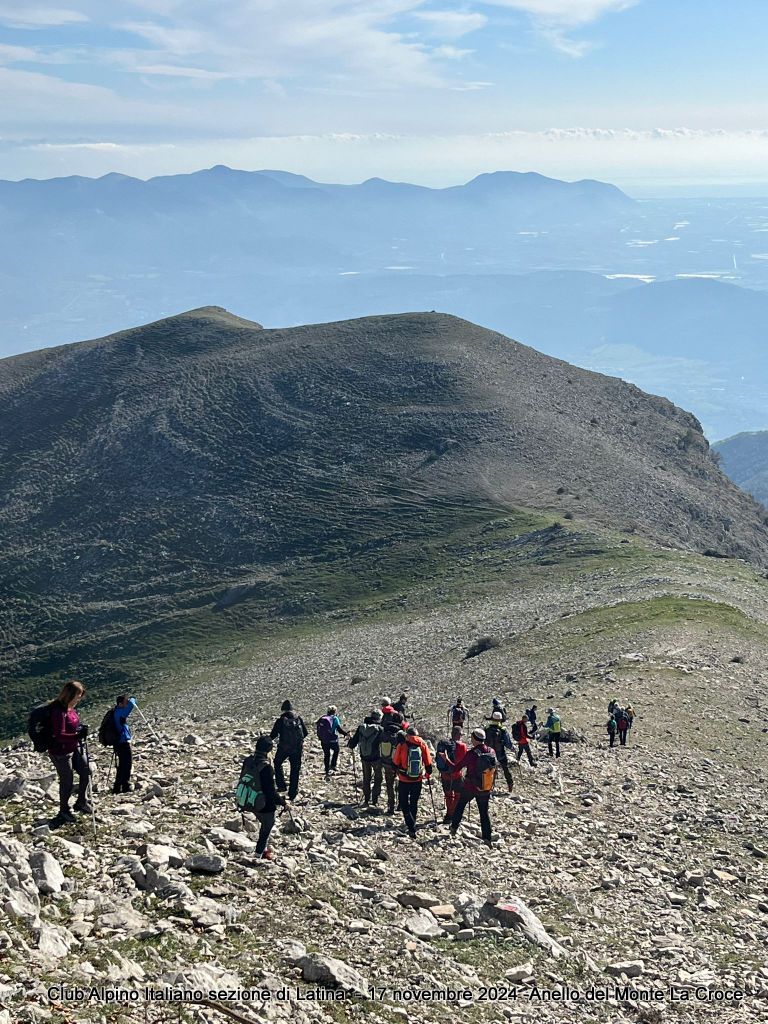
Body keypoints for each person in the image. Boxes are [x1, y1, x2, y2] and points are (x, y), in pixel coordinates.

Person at [49, 680, 91, 827]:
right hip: (60, 752)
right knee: (67, 781)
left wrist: (79, 730)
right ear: (70, 694)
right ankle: (63, 810)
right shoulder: (58, 711)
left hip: (74, 747)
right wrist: (77, 736)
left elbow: (72, 726)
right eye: (78, 695)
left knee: (86, 771)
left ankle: (81, 802)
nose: (79, 698)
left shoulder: (70, 709)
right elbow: (59, 735)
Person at [238, 735, 285, 860]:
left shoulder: (248, 760)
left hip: (248, 799)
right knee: (267, 827)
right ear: (269, 750)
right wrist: (283, 803)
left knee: (262, 823)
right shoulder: (266, 767)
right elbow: (270, 791)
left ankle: (263, 849)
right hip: (263, 804)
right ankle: (259, 854)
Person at [447, 728, 497, 847]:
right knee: (484, 813)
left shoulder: (472, 753)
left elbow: (456, 768)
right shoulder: (492, 751)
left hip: (470, 787)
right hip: (485, 787)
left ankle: (454, 828)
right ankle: (487, 838)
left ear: (474, 739)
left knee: (460, 806)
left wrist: (446, 759)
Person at [392, 726, 433, 839]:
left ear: (407, 734)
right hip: (417, 779)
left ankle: (410, 825)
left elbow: (395, 762)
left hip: (404, 779)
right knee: (414, 802)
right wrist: (427, 773)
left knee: (404, 802)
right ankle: (412, 823)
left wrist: (395, 770)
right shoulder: (422, 744)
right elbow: (428, 762)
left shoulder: (402, 744)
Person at [270, 700, 308, 800]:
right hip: (297, 749)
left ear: (283, 710)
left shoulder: (281, 720)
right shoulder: (298, 719)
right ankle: (293, 793)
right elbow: (305, 733)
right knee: (295, 769)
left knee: (277, 763)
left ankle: (281, 785)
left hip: (284, 748)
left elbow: (273, 735)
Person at [348, 710, 384, 807]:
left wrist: (350, 741)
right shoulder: (380, 729)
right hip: (376, 758)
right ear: (379, 718)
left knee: (366, 778)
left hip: (364, 757)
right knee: (378, 778)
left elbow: (352, 743)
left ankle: (366, 800)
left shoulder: (361, 727)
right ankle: (375, 800)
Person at [436, 726, 468, 822]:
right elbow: (463, 761)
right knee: (458, 795)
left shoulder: (444, 745)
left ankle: (449, 814)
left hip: (445, 774)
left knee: (448, 795)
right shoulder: (462, 746)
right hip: (457, 775)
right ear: (459, 735)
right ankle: (452, 813)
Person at [377, 710, 405, 814]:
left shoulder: (384, 732)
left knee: (389, 785)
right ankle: (400, 805)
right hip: (399, 764)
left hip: (386, 762)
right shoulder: (401, 734)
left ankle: (391, 807)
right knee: (401, 784)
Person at [316, 705, 350, 779]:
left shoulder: (323, 718)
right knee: (336, 750)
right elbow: (339, 729)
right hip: (333, 740)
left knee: (326, 754)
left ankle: (326, 769)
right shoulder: (335, 718)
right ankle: (333, 765)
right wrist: (346, 734)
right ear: (335, 711)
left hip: (324, 740)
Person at [112, 695, 137, 793]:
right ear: (120, 704)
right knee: (127, 764)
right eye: (125, 703)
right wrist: (132, 699)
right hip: (123, 742)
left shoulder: (116, 712)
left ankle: (117, 787)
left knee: (122, 764)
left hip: (119, 743)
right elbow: (130, 706)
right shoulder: (120, 713)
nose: (126, 704)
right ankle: (125, 785)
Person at [484, 712, 514, 791]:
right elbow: (507, 743)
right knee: (505, 769)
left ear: (492, 718)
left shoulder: (486, 728)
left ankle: (489, 786)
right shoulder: (502, 729)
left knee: (489, 770)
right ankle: (510, 784)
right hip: (500, 753)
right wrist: (512, 748)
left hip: (489, 753)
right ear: (500, 720)